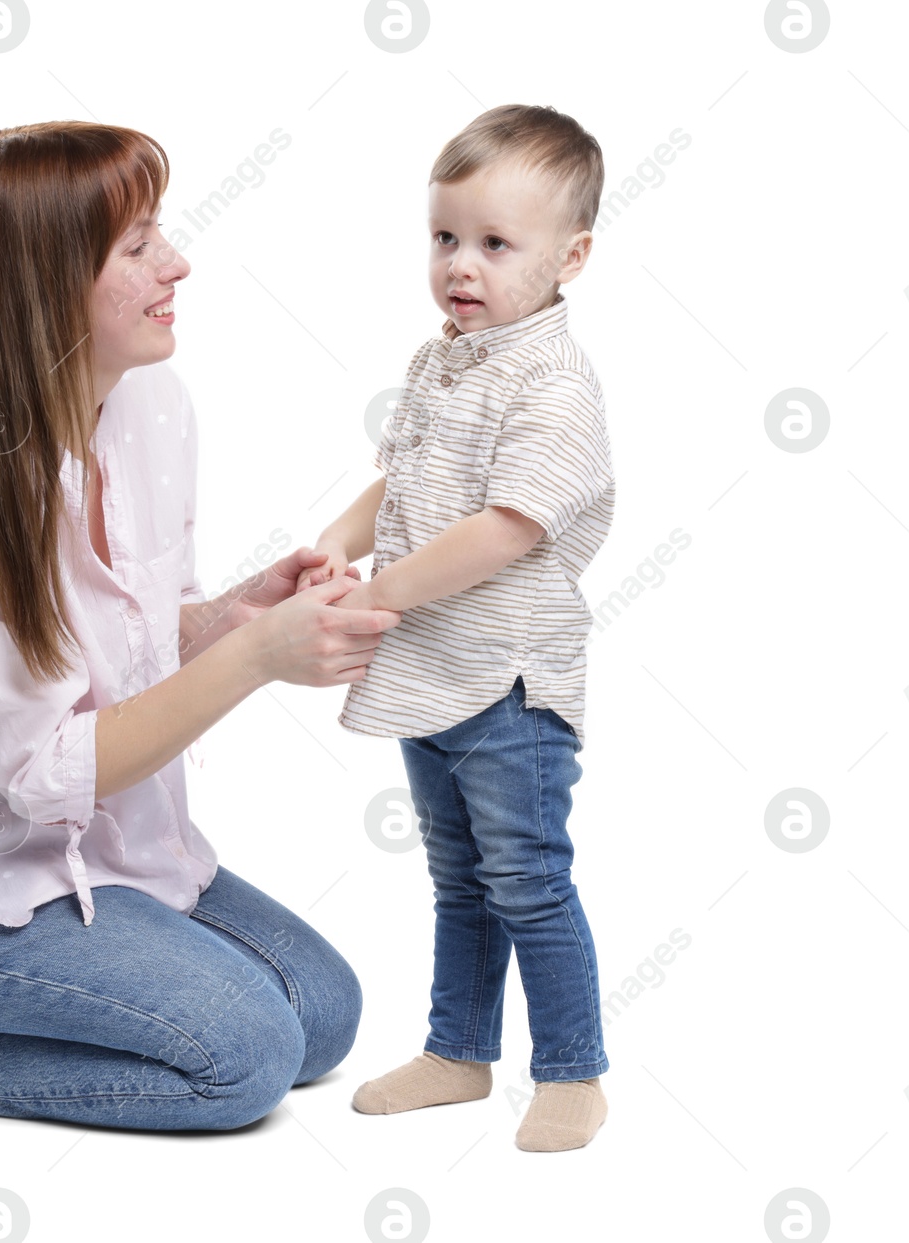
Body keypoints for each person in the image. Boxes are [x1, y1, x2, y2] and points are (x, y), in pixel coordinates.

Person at [0, 120, 403, 1132]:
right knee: (243, 1061)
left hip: (105, 857)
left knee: (321, 1014)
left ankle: (30, 1011)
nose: (177, 262)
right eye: (137, 247)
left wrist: (230, 619)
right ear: (46, 281)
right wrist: (257, 662)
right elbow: (43, 774)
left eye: (158, 233)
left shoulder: (151, 407)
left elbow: (113, 649)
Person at [299, 104, 616, 1151]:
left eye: (493, 244)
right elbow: (404, 479)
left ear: (569, 256)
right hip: (430, 671)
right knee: (456, 875)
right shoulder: (446, 360)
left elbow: (505, 527)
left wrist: (376, 598)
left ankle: (571, 1067)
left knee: (526, 875)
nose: (459, 267)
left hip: (508, 683)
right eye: (444, 238)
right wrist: (337, 548)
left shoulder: (554, 383)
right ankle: (457, 1051)